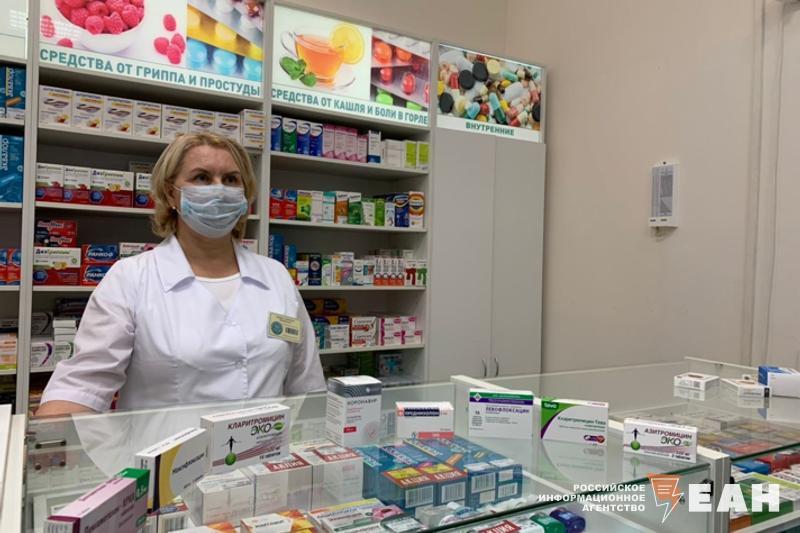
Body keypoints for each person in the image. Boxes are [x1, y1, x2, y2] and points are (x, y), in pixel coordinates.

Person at [37, 132, 325, 416]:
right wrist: (49, 434)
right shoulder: (131, 278)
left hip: (264, 445)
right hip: (163, 448)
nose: (219, 189)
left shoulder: (275, 276)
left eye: (230, 179)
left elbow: (307, 384)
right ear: (169, 192)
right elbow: (82, 385)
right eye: (202, 178)